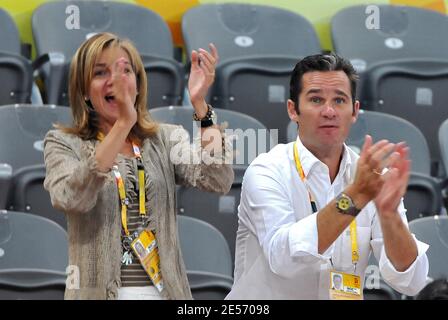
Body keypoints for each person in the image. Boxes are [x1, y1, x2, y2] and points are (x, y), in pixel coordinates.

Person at [44, 32, 234, 300]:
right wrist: (123, 124)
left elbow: (217, 180)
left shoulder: (165, 138)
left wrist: (201, 106)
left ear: (138, 83)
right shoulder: (64, 142)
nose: (116, 81)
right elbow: (73, 198)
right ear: (84, 90)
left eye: (125, 70)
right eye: (100, 73)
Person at [226, 53, 429, 300]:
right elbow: (284, 259)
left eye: (340, 100)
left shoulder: (370, 177)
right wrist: (355, 196)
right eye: (316, 99)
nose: (329, 111)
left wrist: (389, 216)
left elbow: (411, 279)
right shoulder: (267, 171)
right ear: (293, 110)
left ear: (354, 111)